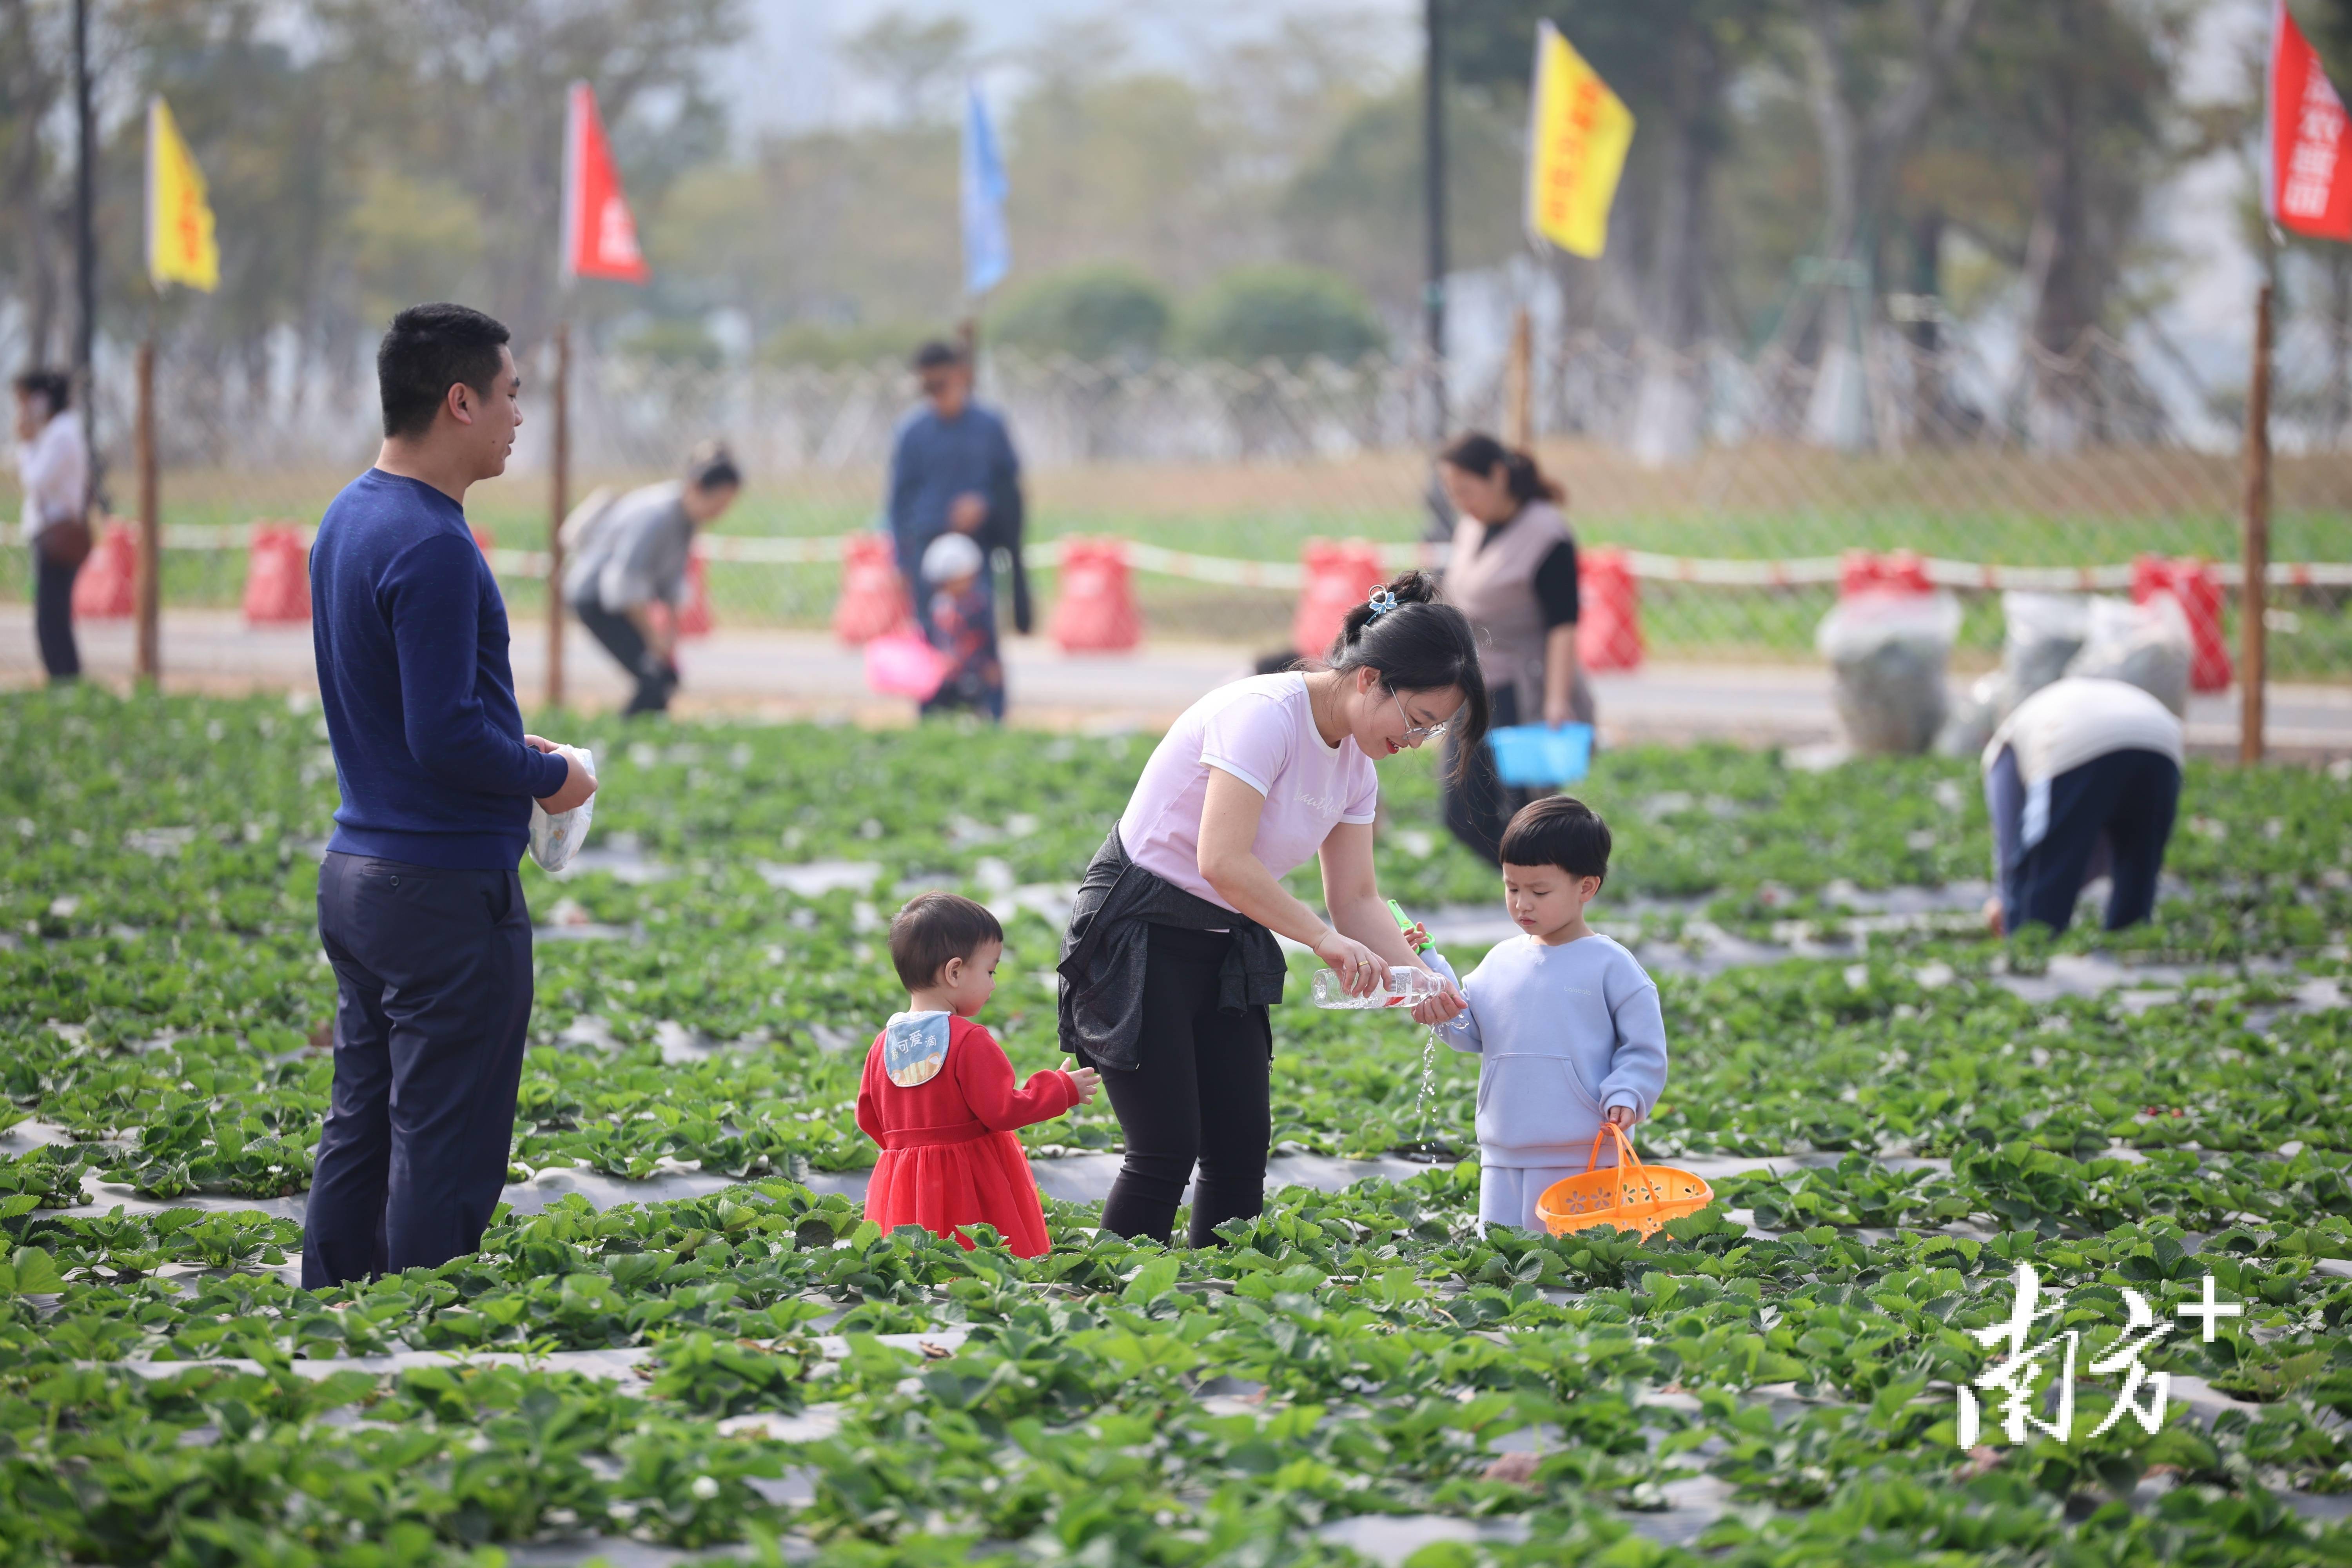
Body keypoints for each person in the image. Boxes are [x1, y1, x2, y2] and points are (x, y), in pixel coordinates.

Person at [301, 303, 598, 1290]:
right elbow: (445, 737)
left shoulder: (350, 514)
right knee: (445, 1135)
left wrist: (513, 746)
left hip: (360, 871)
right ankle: (417, 1338)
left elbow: (408, 713)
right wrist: (556, 776)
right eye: (511, 395)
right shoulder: (433, 543)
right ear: (459, 399)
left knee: (363, 1118)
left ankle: (332, 1313)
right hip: (437, 889)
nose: (521, 416)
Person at [1058, 571, 1487, 1248]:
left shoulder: (1357, 769)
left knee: (1239, 1152)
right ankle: (1102, 1312)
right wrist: (1322, 941)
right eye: (1416, 721)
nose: (1414, 742)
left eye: (1431, 732)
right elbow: (1221, 861)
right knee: (1165, 1150)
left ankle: (1213, 1313)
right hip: (1140, 928)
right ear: (1371, 678)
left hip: (1227, 936)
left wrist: (1425, 984)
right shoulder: (1264, 714)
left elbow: (1358, 900)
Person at [1431, 797, 1668, 1234]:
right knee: (1502, 1260)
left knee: (1568, 1269)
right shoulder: (1499, 961)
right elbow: (1470, 1033)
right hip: (1502, 1150)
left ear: (1587, 887)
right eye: (1512, 887)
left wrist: (1627, 1094)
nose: (1522, 904)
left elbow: (1644, 1049)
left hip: (1584, 1152)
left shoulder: (1610, 965)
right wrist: (1435, 983)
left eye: (1539, 892)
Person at [860, 893, 1101, 1258]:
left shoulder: (882, 1045)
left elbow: (869, 1116)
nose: (993, 984)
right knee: (979, 1259)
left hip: (906, 1181)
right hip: (969, 1179)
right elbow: (1002, 1110)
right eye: (990, 971)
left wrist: (912, 1154)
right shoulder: (969, 1039)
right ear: (955, 972)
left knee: (921, 1264)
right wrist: (1061, 1090)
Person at [1432, 432, 1592, 865]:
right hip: (1473, 683)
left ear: (1498, 476)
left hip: (1523, 689)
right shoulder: (1471, 527)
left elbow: (1563, 626)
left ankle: (1550, 893)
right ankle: (1534, 887)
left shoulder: (1547, 534)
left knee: (1529, 812)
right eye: (1452, 492)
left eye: (1466, 489)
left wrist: (1556, 701)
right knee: (1461, 812)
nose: (1460, 501)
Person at [885, 340, 1030, 721]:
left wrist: (985, 503)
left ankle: (991, 716)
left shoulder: (989, 426)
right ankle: (934, 717)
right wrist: (899, 561)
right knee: (934, 636)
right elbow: (899, 501)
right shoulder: (913, 432)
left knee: (981, 633)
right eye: (928, 388)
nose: (938, 395)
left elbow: (1010, 486)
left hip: (975, 547)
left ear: (962, 378)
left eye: (943, 385)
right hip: (927, 550)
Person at [1981, 675, 2183, 938]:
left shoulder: (2002, 752)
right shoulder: (2038, 718)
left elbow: (2017, 842)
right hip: (2162, 740)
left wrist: (2008, 901)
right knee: (2138, 871)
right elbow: (2095, 847)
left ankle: (2030, 953)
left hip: (2074, 738)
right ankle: (2130, 943)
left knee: (2034, 911)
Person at [565, 441, 741, 717]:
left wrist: (669, 633)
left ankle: (644, 738)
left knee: (667, 677)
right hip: (593, 598)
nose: (719, 514)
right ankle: (621, 738)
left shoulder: (686, 520)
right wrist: (652, 637)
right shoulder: (658, 515)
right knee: (654, 679)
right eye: (718, 504)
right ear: (696, 488)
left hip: (617, 600)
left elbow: (671, 583)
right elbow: (622, 584)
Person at [12, 368, 90, 683]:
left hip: (59, 534)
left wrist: (26, 445)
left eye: (25, 401)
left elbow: (36, 480)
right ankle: (64, 682)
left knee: (51, 618)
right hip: (54, 532)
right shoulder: (61, 431)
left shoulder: (61, 433)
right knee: (51, 616)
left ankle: (65, 681)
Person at [918, 531, 1004, 718]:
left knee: (981, 706)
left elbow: (989, 640)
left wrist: (992, 665)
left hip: (973, 672)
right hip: (943, 674)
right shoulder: (937, 607)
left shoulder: (978, 606)